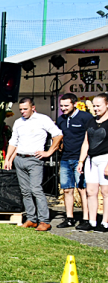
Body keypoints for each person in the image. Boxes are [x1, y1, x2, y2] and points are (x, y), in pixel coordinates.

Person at [3, 97, 63, 232]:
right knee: (25, 191)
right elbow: (13, 141)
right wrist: (8, 158)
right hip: (20, 158)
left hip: (35, 159)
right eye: (21, 110)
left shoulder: (43, 119)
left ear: (33, 108)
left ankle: (44, 221)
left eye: (25, 109)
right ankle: (31, 219)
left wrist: (48, 152)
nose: (23, 112)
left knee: (36, 189)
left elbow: (58, 134)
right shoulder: (19, 122)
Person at [56, 93, 90, 228]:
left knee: (82, 189)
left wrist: (85, 158)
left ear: (74, 104)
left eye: (66, 105)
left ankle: (86, 218)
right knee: (67, 189)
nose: (63, 108)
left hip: (80, 158)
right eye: (61, 106)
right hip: (65, 158)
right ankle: (69, 218)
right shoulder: (61, 119)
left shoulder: (85, 117)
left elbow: (89, 138)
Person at [76, 93, 108, 232]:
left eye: (98, 105)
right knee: (91, 191)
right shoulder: (91, 121)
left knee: (106, 192)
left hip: (105, 158)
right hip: (91, 160)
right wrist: (81, 161)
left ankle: (105, 222)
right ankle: (92, 221)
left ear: (107, 105)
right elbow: (86, 142)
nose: (96, 108)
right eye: (94, 106)